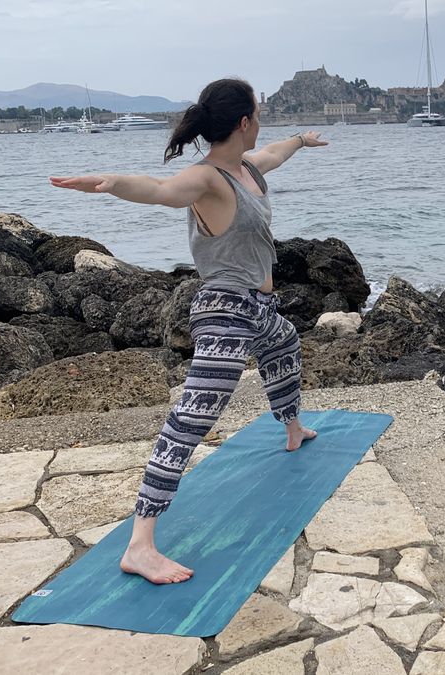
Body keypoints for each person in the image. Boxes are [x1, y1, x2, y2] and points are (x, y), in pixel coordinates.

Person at [51, 78, 328, 584]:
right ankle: (140, 544)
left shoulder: (245, 170)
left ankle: (292, 430)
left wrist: (302, 143)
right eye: (258, 114)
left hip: (258, 306)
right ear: (243, 121)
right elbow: (159, 191)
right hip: (225, 312)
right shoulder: (207, 179)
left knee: (284, 343)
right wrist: (112, 181)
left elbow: (273, 154)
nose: (261, 124)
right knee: (191, 421)